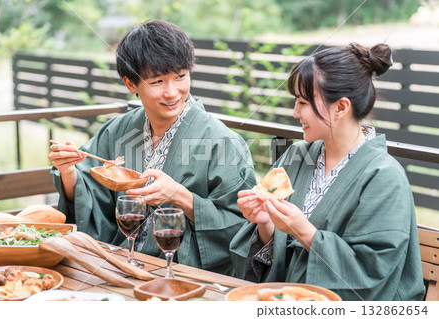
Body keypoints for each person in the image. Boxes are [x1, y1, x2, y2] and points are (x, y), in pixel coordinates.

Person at [49, 20, 256, 275]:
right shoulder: (117, 130)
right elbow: (89, 194)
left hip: (183, 275)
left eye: (180, 76)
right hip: (119, 263)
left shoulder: (223, 142)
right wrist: (68, 171)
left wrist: (181, 197)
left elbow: (244, 228)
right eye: (157, 81)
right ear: (130, 84)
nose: (172, 92)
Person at [230, 42, 425, 300]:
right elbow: (273, 253)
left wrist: (305, 232)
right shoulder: (296, 155)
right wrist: (265, 222)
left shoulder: (384, 176)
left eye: (302, 103)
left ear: (341, 107)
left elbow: (373, 272)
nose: (295, 112)